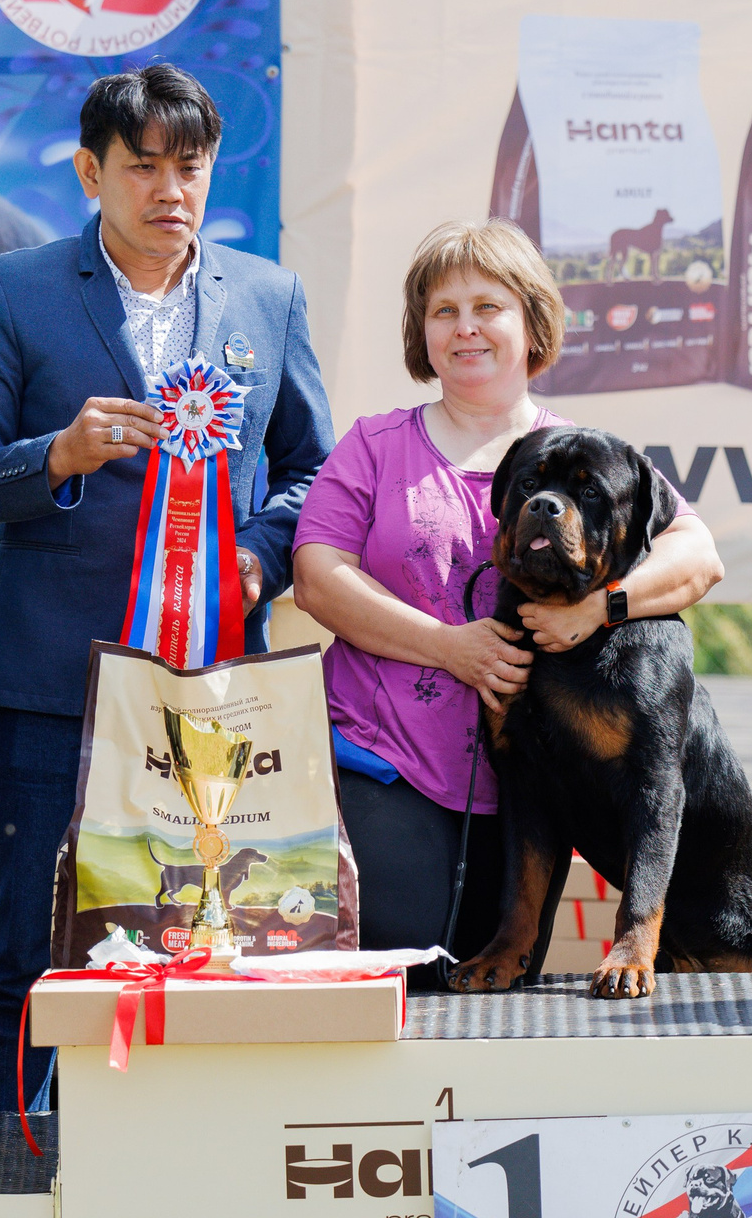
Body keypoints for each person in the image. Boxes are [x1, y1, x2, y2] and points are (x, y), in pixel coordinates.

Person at [0, 64, 335, 1111]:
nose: (168, 190)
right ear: (88, 172)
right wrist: (55, 457)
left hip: (211, 692)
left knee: (199, 940)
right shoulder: (8, 290)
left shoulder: (266, 295)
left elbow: (309, 472)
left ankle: (163, 1167)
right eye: (141, 166)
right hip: (48, 683)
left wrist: (254, 556)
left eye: (187, 167)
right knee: (21, 950)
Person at [290, 219, 723, 958]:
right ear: (420, 332)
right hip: (381, 768)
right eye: (443, 311)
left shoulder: (583, 456)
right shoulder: (374, 444)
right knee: (397, 965)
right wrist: (448, 647)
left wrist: (598, 608)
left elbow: (698, 555)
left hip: (532, 802)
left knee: (493, 990)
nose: (467, 329)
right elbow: (315, 575)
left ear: (530, 322)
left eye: (488, 307)